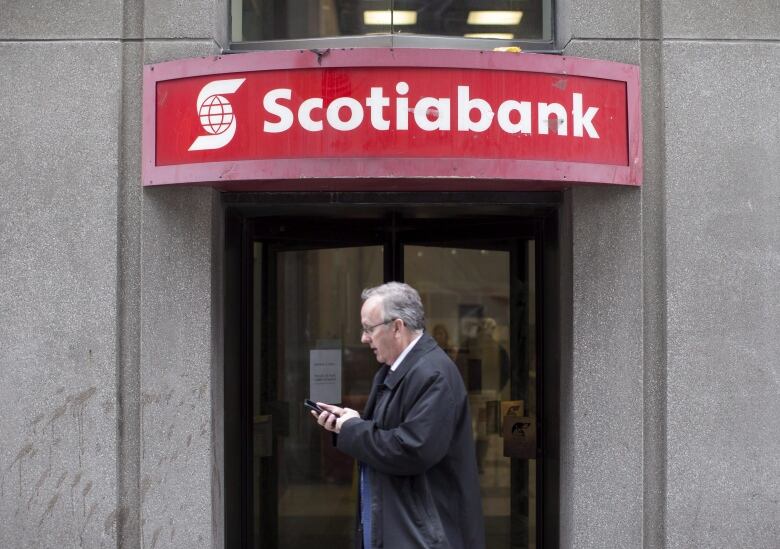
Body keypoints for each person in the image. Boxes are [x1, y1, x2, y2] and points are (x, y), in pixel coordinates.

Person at [311, 282, 485, 549]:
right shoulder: (397, 370)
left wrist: (353, 429)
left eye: (369, 328)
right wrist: (347, 423)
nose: (363, 338)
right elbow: (390, 434)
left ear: (397, 327)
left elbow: (411, 450)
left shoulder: (432, 374)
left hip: (420, 538)